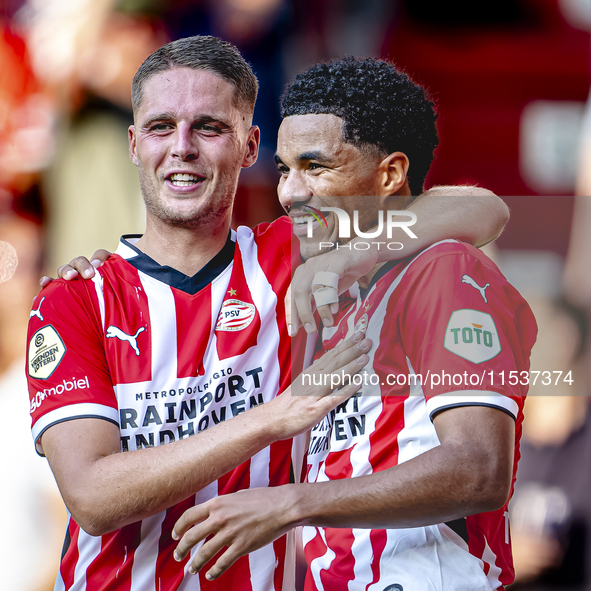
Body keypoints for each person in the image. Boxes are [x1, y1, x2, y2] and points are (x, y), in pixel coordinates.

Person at [37, 38, 508, 590]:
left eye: (210, 127)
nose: (183, 147)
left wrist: (361, 249)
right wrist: (275, 417)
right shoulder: (73, 298)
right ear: (135, 143)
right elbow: (93, 498)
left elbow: (484, 208)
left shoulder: (291, 253)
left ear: (250, 145)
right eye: (161, 126)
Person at [169, 58, 538, 591]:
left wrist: (290, 504)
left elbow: (479, 469)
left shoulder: (443, 270)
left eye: (315, 167)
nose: (292, 192)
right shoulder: (333, 294)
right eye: (284, 169)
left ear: (388, 175)